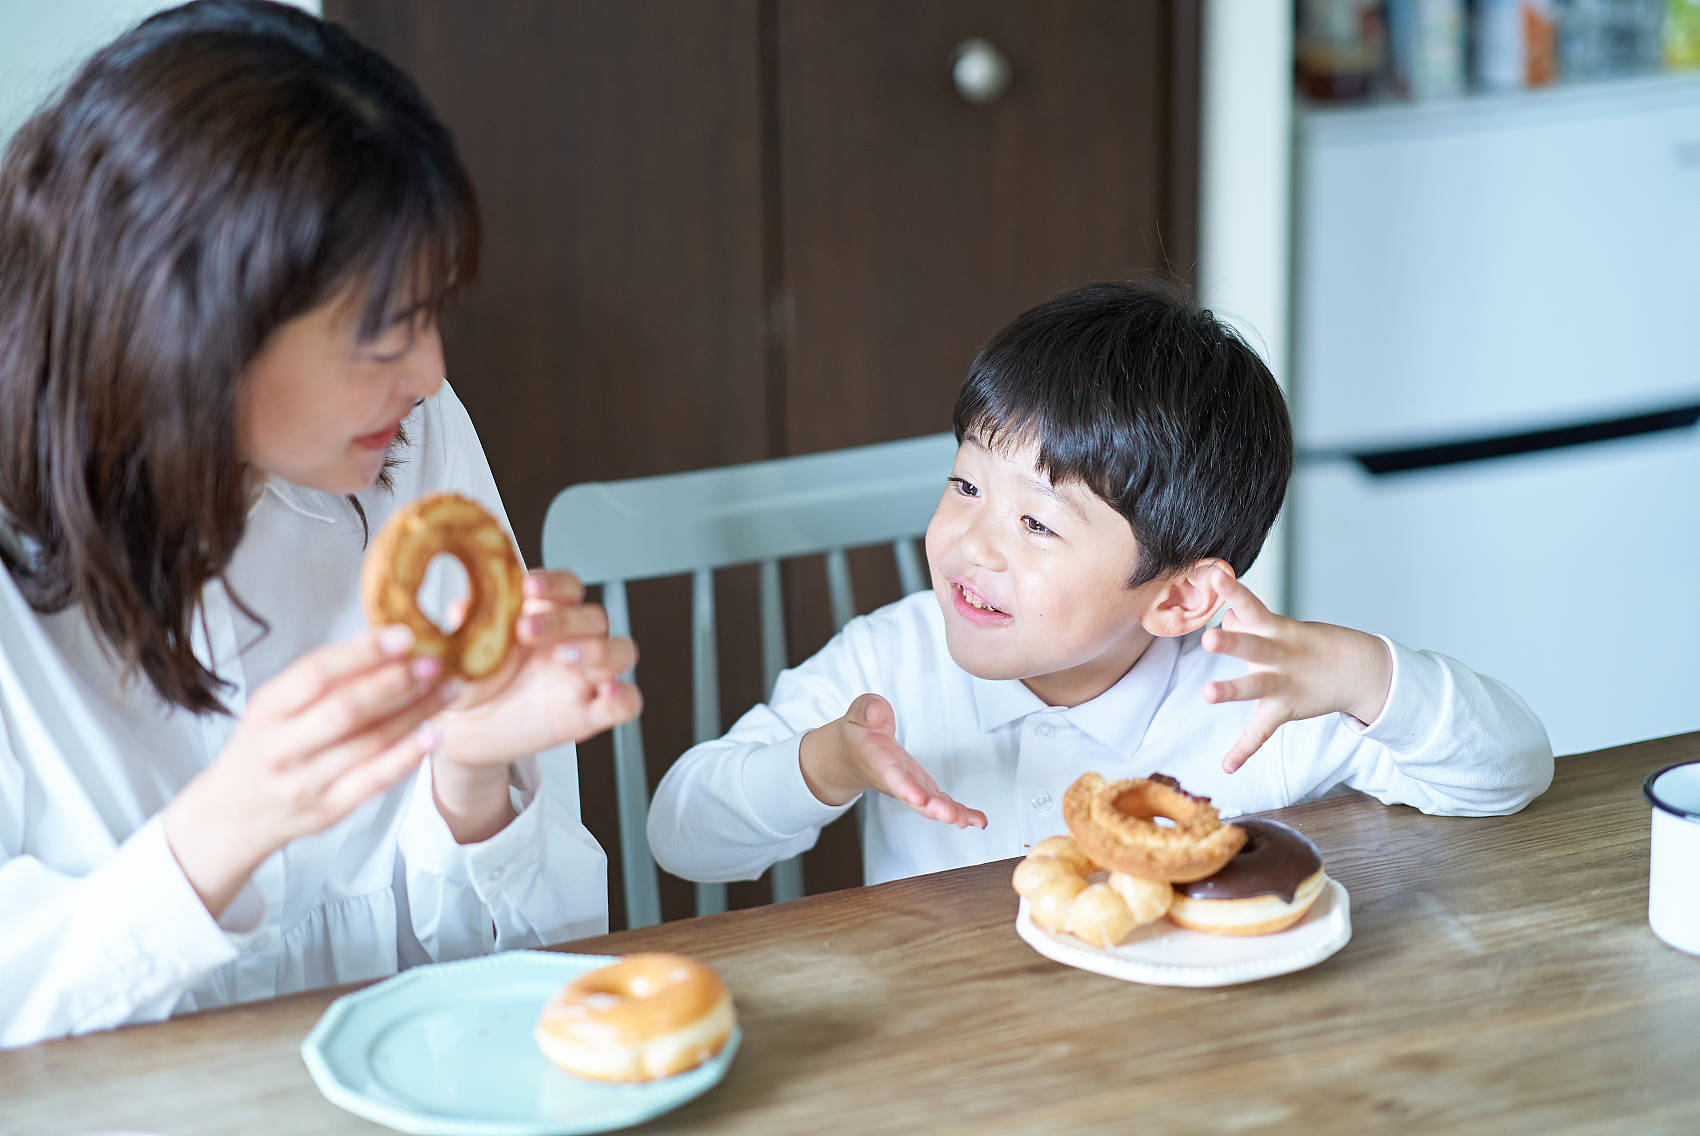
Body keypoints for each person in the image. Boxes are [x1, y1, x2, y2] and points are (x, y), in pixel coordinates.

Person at [0, 1, 640, 1047]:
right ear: (191, 329)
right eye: (383, 333)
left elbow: (548, 963)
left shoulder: (412, 444)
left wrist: (475, 774)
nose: (430, 372)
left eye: (433, 315)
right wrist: (232, 823)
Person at [647, 280, 1553, 887]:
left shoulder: (1256, 701)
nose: (971, 543)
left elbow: (1509, 773)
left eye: (1037, 523)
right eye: (965, 485)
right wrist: (826, 764)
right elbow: (681, 839)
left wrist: (1361, 676)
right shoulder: (893, 665)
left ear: (1180, 598)